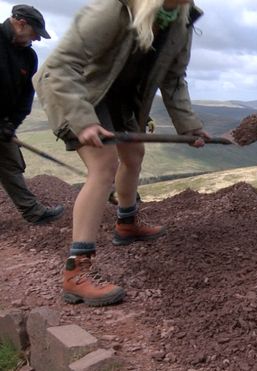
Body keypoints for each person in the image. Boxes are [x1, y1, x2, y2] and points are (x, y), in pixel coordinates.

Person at [34, 0, 209, 307]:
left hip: (122, 98)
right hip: (79, 93)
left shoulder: (181, 21)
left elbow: (173, 79)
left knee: (134, 155)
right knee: (103, 166)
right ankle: (76, 273)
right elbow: (60, 66)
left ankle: (126, 224)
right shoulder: (114, 9)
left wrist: (189, 126)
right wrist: (83, 120)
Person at [0, 4, 64, 225]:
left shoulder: (28, 56)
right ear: (20, 23)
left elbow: (27, 96)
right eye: (35, 32)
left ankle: (34, 213)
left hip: (4, 123)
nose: (37, 39)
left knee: (11, 164)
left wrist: (11, 124)